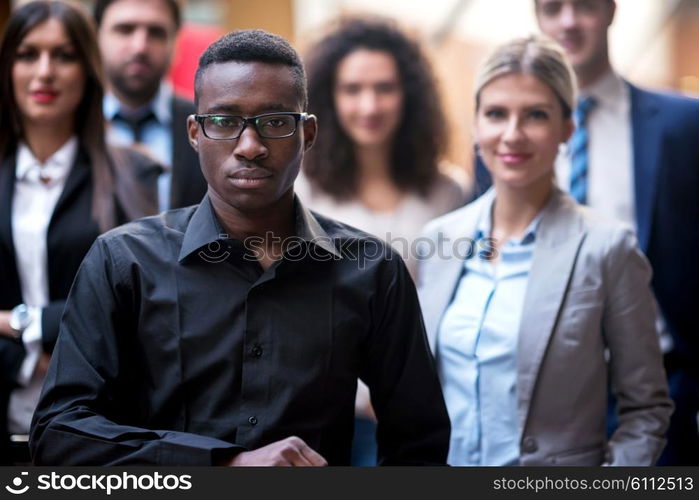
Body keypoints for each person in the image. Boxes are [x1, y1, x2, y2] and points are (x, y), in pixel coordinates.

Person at [29, 29, 450, 466]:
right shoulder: (123, 262)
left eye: (275, 122)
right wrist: (223, 465)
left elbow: (419, 446)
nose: (250, 147)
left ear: (307, 133)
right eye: (225, 121)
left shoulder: (372, 270)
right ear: (195, 133)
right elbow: (59, 433)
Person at [417, 35, 672, 466]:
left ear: (567, 128)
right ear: (476, 125)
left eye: (535, 115)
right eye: (496, 114)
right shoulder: (437, 240)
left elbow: (646, 410)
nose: (512, 134)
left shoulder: (607, 248)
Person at [532, 0, 699, 465]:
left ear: (610, 10)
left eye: (583, 5)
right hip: (545, 403)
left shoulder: (684, 125)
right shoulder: (509, 138)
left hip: (663, 392)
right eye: (552, 8)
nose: (568, 21)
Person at [296, 18, 466, 465]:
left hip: (419, 410)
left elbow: (449, 306)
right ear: (329, 99)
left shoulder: (448, 191)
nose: (369, 104)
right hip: (323, 412)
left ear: (409, 95)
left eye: (384, 87)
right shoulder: (302, 190)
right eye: (352, 89)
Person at [0, 0, 158, 465]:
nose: (44, 71)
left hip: (99, 431)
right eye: (28, 54)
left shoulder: (134, 173)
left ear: (87, 69)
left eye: (64, 55)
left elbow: (141, 302)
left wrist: (19, 323)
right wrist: (30, 359)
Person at [94, 0, 207, 211]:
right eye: (125, 30)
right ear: (96, 37)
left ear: (176, 43)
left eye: (156, 32)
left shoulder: (208, 125)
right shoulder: (70, 126)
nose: (140, 47)